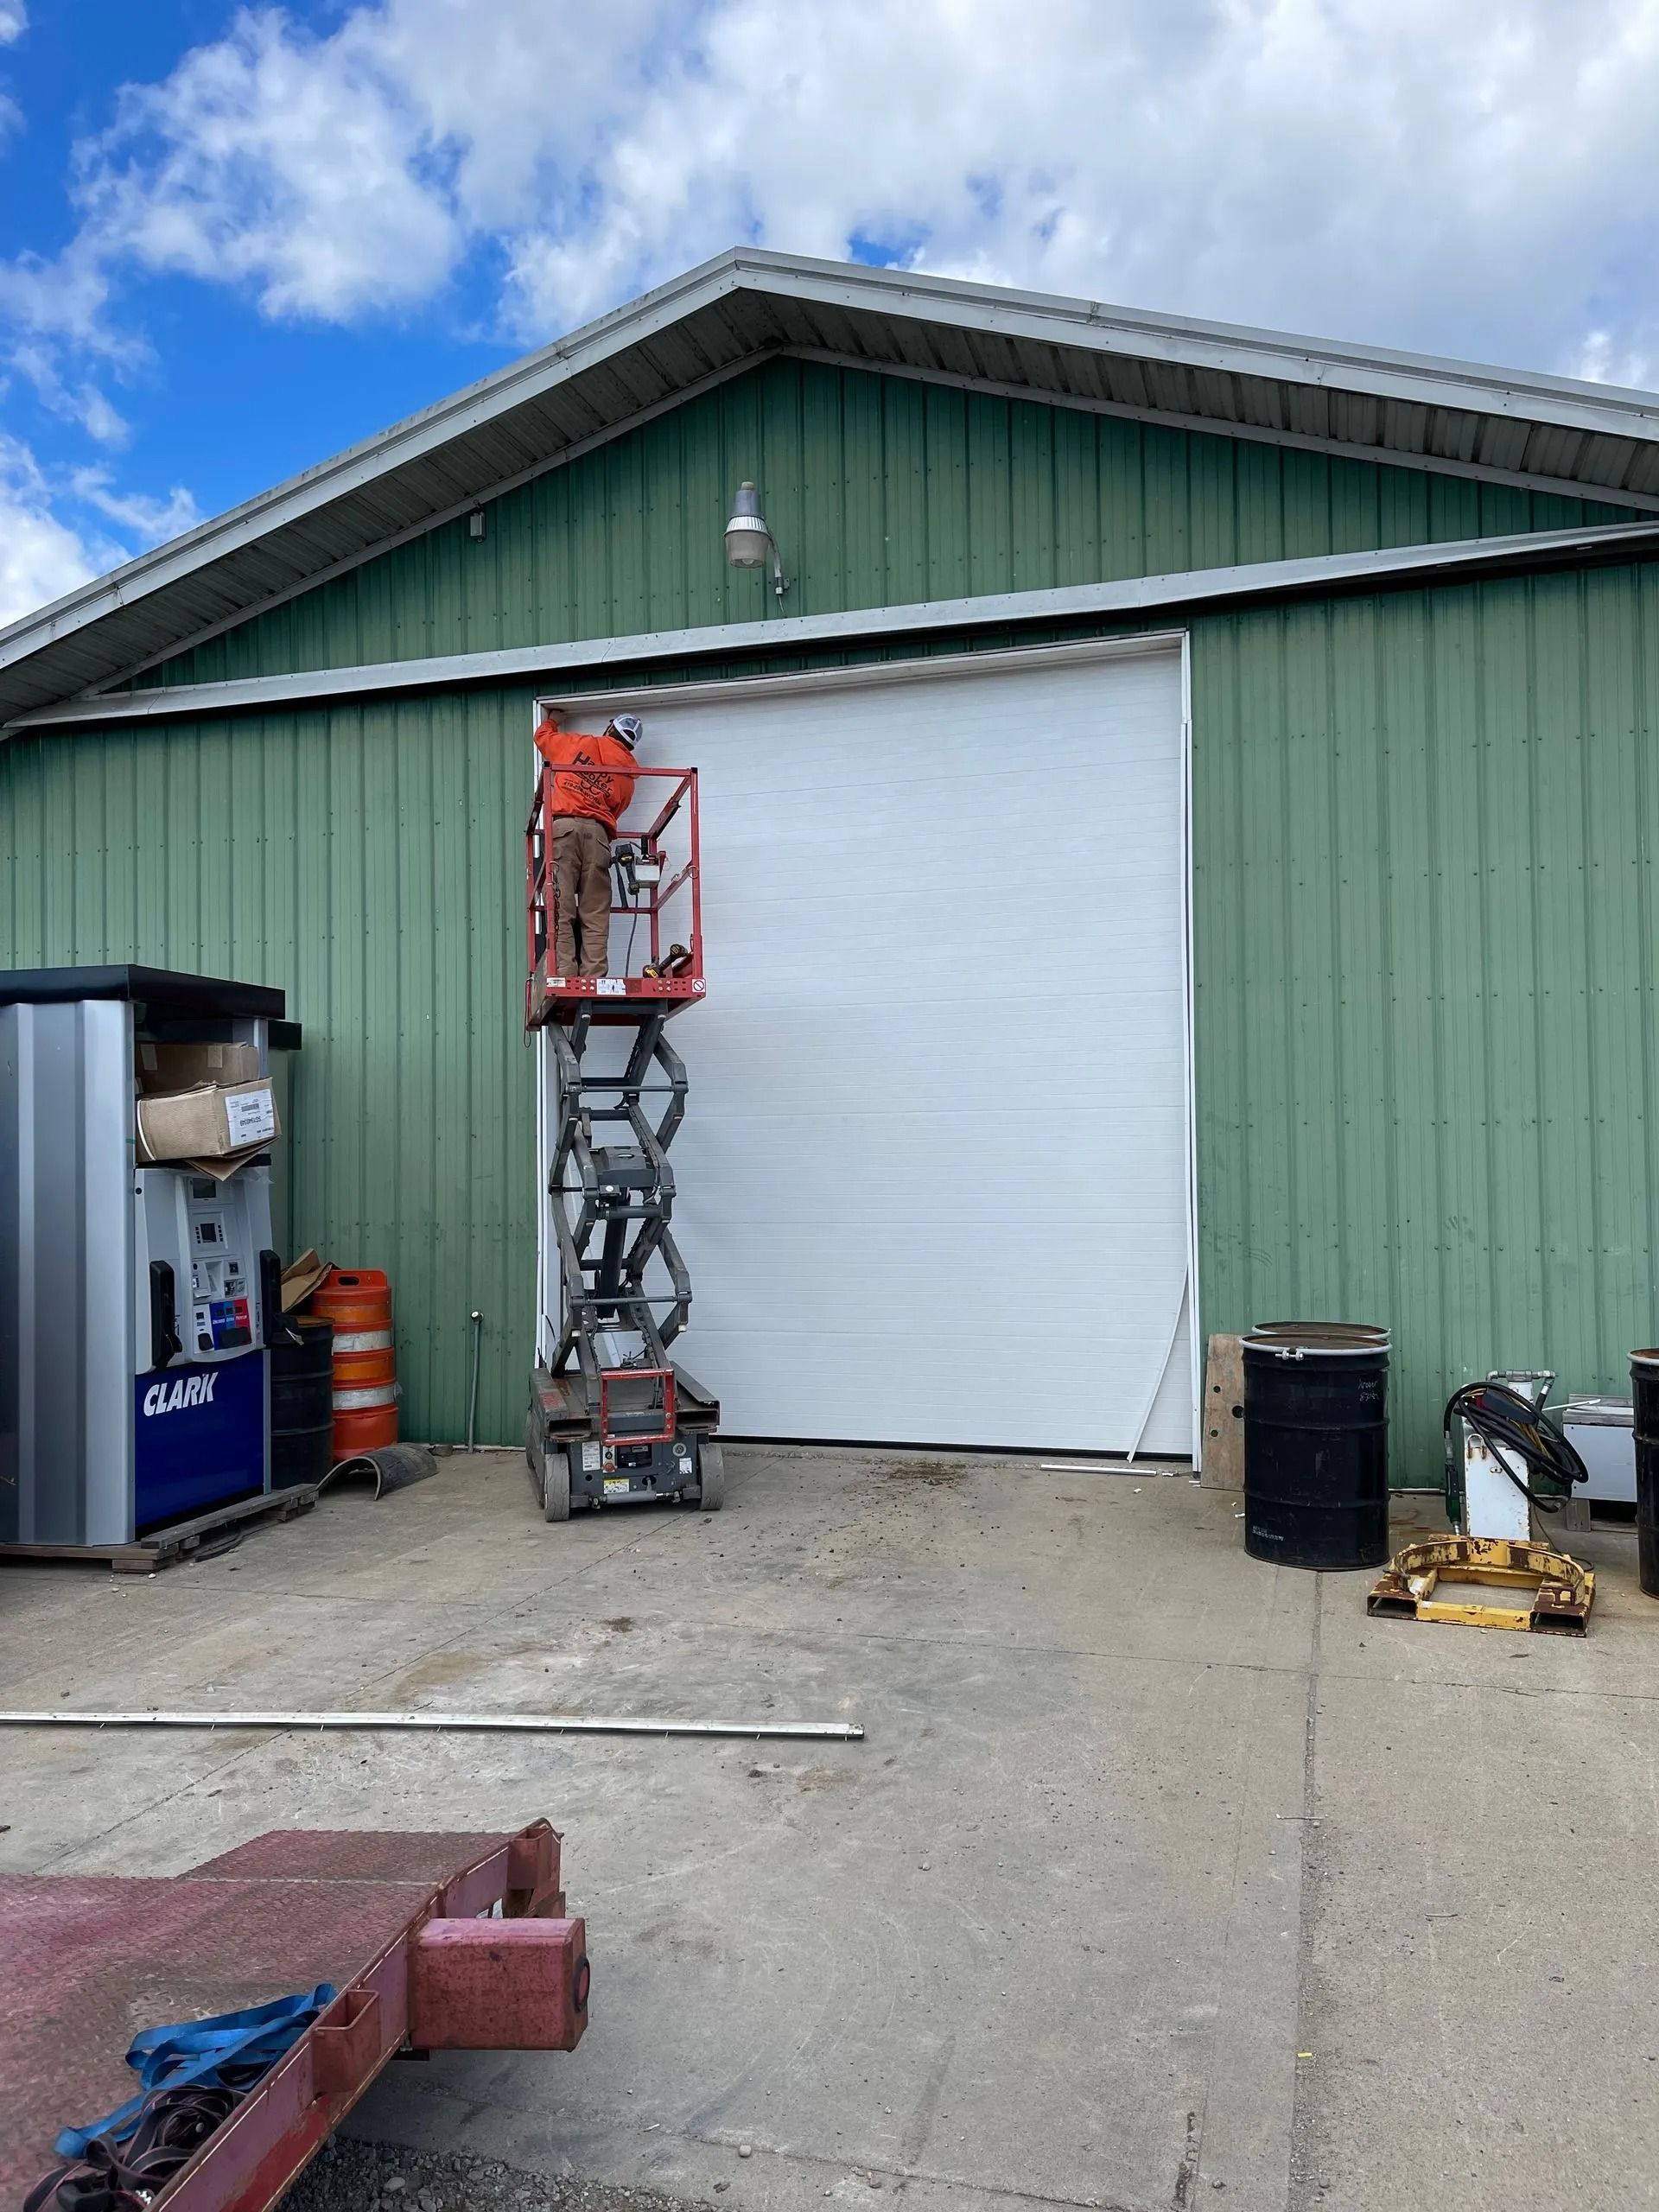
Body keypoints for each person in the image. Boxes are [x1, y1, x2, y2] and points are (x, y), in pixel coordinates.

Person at [532, 712, 642, 977]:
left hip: (564, 829)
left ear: (609, 728)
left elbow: (542, 737)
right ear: (631, 745)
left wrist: (553, 720)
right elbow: (616, 810)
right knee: (595, 911)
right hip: (598, 835)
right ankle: (594, 977)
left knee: (561, 904)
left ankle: (564, 973)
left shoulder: (580, 744)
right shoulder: (627, 778)